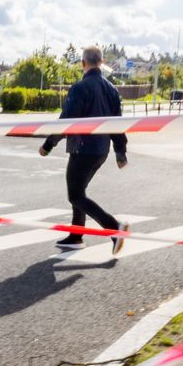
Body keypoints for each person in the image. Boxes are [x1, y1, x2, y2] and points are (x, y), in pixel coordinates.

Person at [39, 45, 128, 253]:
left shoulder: (80, 88)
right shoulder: (112, 90)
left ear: (83, 63)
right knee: (79, 191)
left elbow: (66, 122)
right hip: (101, 150)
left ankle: (114, 228)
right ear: (102, 62)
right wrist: (120, 151)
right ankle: (76, 235)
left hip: (82, 148)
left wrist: (48, 145)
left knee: (75, 195)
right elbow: (117, 123)